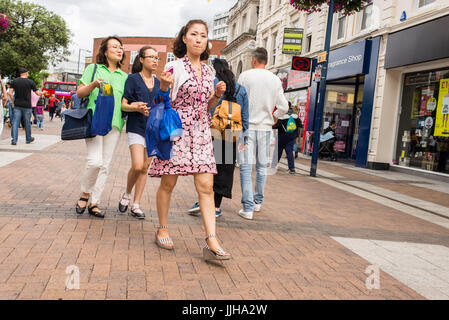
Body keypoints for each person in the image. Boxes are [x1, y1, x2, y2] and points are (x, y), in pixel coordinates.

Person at [149, 20, 231, 261]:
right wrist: (163, 86)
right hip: (177, 131)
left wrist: (216, 96)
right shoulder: (175, 67)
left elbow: (207, 108)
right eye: (193, 34)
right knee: (168, 184)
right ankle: (162, 227)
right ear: (184, 38)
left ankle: (211, 239)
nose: (198, 39)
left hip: (202, 132)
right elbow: (161, 101)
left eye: (202, 35)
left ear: (207, 41)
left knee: (206, 186)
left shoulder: (210, 71)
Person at [75, 35, 128, 218]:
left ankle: (95, 202)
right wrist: (94, 84)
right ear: (105, 51)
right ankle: (85, 193)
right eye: (114, 46)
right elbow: (80, 93)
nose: (119, 49)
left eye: (121, 47)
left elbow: (124, 103)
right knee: (95, 162)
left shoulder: (124, 76)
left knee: (105, 165)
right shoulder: (93, 68)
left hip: (114, 124)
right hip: (95, 121)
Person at [188, 58, 249, 218]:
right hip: (232, 132)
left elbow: (204, 108)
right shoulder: (240, 89)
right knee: (225, 169)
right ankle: (215, 207)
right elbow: (244, 117)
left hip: (213, 129)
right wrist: (244, 138)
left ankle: (202, 200)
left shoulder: (212, 83)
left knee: (208, 166)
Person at [237, 47, 289, 220]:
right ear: (266, 61)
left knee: (245, 167)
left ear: (253, 60)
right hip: (266, 129)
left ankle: (248, 207)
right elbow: (284, 107)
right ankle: (258, 202)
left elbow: (238, 102)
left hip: (247, 128)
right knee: (261, 167)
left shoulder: (245, 76)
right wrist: (274, 116)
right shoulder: (275, 79)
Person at [118, 45, 169, 219]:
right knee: (138, 165)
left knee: (145, 168)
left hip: (153, 130)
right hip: (136, 127)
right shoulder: (132, 79)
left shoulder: (158, 83)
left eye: (157, 58)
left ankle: (136, 204)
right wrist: (136, 108)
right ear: (141, 59)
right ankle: (127, 193)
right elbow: (124, 104)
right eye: (151, 57)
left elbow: (162, 105)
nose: (155, 60)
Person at [9, 68, 43, 145]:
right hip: (27, 106)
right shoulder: (30, 82)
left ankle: (14, 140)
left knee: (15, 122)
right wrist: (42, 93)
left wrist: (14, 101)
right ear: (25, 73)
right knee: (27, 122)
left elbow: (10, 93)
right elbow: (37, 93)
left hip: (17, 105)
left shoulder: (14, 81)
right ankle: (28, 138)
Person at [272, 102, 302, 174]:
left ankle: (273, 166)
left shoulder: (282, 114)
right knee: (289, 152)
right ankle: (292, 169)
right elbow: (300, 124)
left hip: (282, 135)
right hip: (291, 136)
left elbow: (277, 125)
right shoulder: (295, 114)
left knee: (278, 151)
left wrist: (272, 127)